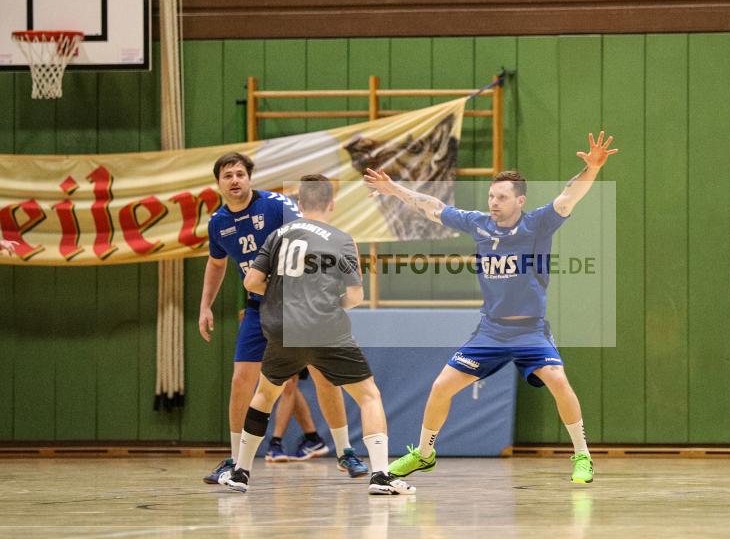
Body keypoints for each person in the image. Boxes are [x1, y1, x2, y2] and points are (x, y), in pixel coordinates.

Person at [363, 131, 617, 484]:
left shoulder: (537, 224)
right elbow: (432, 207)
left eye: (501, 197)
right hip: (491, 330)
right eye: (491, 196)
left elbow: (568, 196)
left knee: (559, 381)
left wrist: (590, 169)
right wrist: (395, 191)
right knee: (441, 387)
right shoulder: (479, 224)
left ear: (520, 201)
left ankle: (582, 456)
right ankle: (424, 454)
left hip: (529, 329)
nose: (493, 202)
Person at [224, 174, 414, 495]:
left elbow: (251, 283)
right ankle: (380, 475)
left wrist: (282, 293)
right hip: (326, 329)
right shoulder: (342, 239)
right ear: (331, 204)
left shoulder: (278, 235)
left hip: (283, 329)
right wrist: (330, 303)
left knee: (265, 395)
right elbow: (355, 297)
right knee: (368, 395)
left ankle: (241, 471)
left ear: (299, 204)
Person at [200, 153, 368, 484]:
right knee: (241, 382)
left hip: (299, 305)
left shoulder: (276, 206)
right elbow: (217, 264)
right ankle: (236, 459)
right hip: (259, 307)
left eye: (240, 174)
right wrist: (205, 305)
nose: (235, 180)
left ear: (250, 178)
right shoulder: (218, 223)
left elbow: (312, 234)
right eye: (227, 175)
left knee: (324, 376)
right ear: (218, 183)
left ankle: (345, 451)